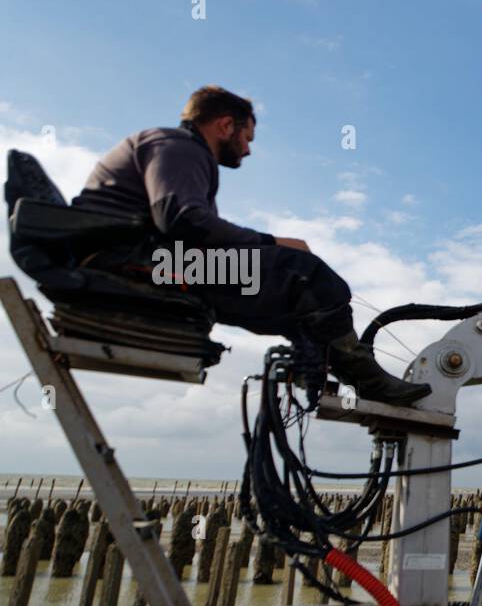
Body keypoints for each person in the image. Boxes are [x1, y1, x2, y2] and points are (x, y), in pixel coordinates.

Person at [69, 85, 430, 406]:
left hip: (152, 261)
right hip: (136, 261)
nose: (248, 150)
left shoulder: (183, 153)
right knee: (305, 275)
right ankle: (368, 381)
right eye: (248, 138)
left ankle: (317, 366)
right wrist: (272, 243)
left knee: (295, 299)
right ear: (226, 125)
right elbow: (182, 219)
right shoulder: (177, 146)